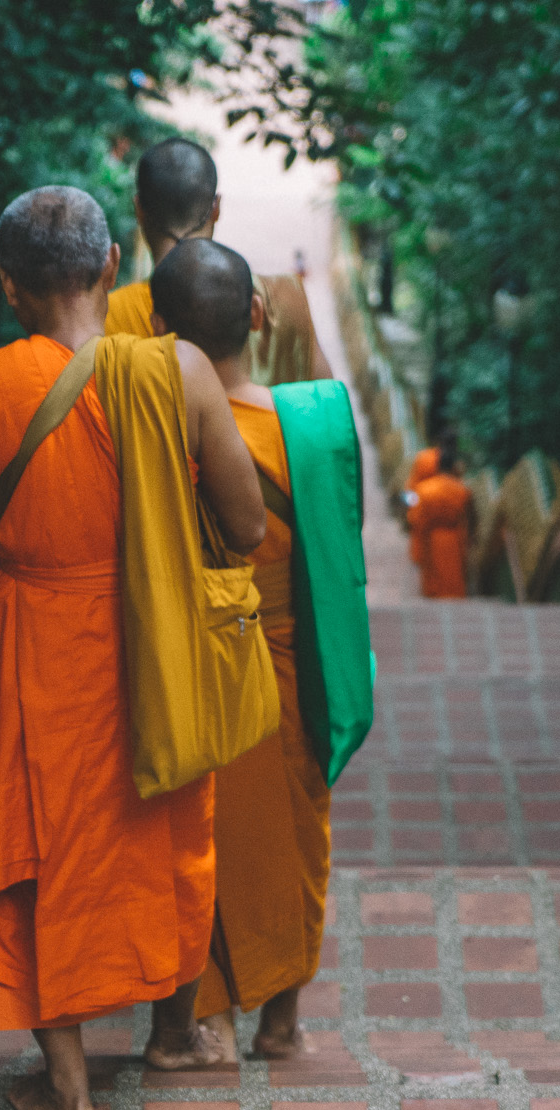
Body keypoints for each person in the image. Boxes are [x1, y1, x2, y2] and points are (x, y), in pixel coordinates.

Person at [0, 186, 266, 1110]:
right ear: (110, 271)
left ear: (11, 289)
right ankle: (173, 1032)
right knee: (163, 834)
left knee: (38, 852)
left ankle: (65, 1085)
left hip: (32, 648)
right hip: (156, 643)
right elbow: (248, 525)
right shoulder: (178, 371)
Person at [148, 238, 333, 1058]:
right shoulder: (312, 431)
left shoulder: (148, 434)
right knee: (295, 831)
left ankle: (207, 1014)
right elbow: (339, 559)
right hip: (291, 651)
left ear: (157, 330)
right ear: (256, 316)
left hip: (186, 656)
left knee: (198, 831)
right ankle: (283, 1019)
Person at [105, 138, 335, 386]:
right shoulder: (285, 299)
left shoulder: (108, 316)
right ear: (216, 207)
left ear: (139, 209)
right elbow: (326, 406)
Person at [408, 444, 473, 599]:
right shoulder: (462, 490)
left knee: (434, 584)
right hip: (454, 539)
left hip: (431, 539)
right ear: (453, 467)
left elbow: (414, 517)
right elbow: (470, 517)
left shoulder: (424, 489)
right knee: (454, 579)